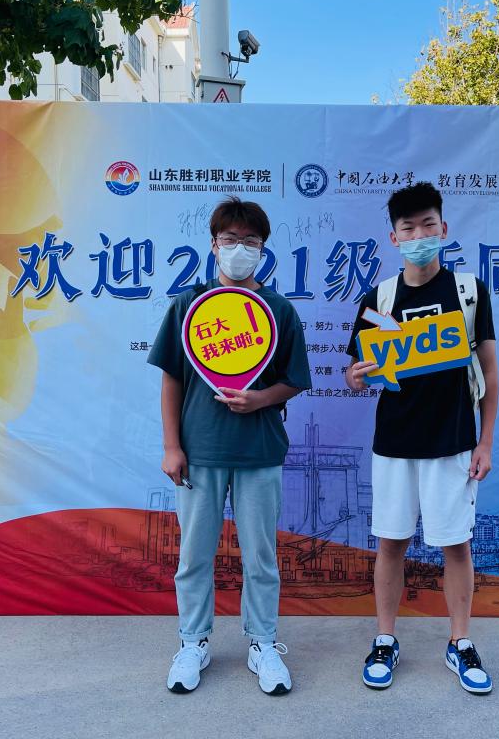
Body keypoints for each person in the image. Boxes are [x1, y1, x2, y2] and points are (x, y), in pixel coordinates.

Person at [148, 197, 311, 695]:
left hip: (259, 451)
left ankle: (262, 642)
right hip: (200, 451)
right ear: (214, 245)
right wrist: (172, 446)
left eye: (251, 241)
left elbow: (294, 380)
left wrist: (260, 399)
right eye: (230, 240)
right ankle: (192, 641)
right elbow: (172, 379)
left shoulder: (279, 310)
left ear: (263, 249)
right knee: (194, 555)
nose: (240, 249)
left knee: (261, 556)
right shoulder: (188, 306)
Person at [344, 182, 499, 694]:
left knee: (456, 545)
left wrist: (485, 442)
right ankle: (385, 638)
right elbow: (355, 371)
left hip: (452, 441)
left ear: (443, 229)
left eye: (428, 225)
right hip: (394, 444)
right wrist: (357, 376)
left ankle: (460, 642)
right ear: (394, 238)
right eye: (407, 228)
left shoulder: (468, 292)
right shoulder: (379, 299)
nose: (418, 236)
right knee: (391, 543)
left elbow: (489, 373)